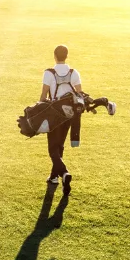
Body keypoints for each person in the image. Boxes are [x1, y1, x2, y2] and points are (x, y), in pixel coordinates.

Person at [40, 44, 83, 188]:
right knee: (60, 145)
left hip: (54, 115)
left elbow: (43, 97)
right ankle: (54, 177)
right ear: (67, 56)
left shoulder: (49, 73)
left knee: (53, 148)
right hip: (70, 115)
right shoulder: (74, 72)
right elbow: (80, 94)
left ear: (55, 56)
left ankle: (64, 173)